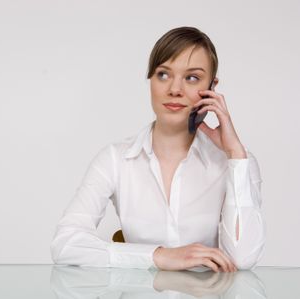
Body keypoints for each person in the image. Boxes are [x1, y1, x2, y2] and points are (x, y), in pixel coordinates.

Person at [50, 26, 265, 272]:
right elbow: (65, 244)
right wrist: (158, 256)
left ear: (212, 88)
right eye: (163, 74)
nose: (175, 89)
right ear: (150, 79)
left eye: (192, 77)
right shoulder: (115, 159)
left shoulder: (237, 163)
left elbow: (243, 260)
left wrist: (236, 156)